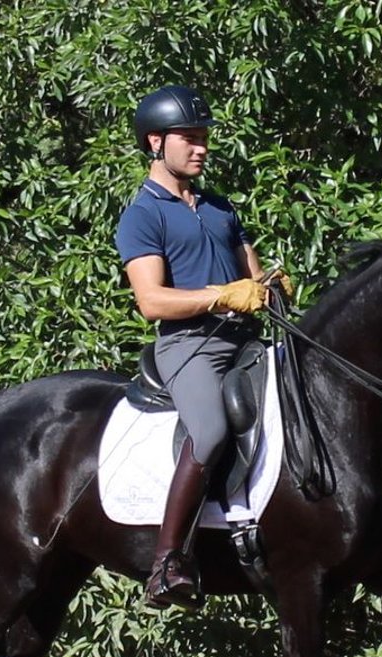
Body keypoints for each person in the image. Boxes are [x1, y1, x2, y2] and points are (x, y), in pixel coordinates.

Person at [114, 85, 272, 609]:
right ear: (155, 142)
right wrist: (221, 295)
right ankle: (166, 563)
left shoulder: (221, 208)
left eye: (204, 138)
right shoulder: (144, 215)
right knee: (209, 430)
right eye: (190, 138)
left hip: (245, 340)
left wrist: (270, 283)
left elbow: (251, 274)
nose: (201, 148)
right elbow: (152, 301)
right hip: (190, 347)